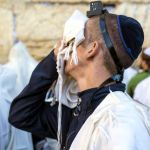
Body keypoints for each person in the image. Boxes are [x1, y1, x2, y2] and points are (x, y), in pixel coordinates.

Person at [9, 2, 150, 150]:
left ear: (91, 49)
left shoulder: (121, 123)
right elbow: (21, 114)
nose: (64, 47)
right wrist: (53, 60)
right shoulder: (76, 111)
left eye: (71, 41)